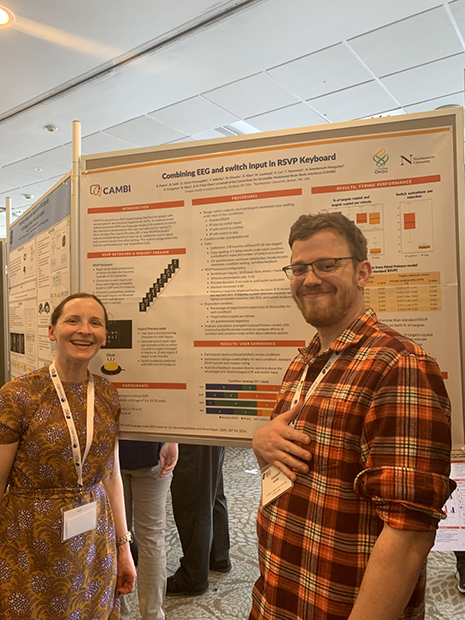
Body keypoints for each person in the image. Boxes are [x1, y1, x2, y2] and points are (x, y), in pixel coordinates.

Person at [250, 213, 455, 620]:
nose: (310, 279)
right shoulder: (306, 362)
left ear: (363, 272)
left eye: (327, 265)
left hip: (341, 605)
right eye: (299, 268)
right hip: (280, 597)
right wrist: (261, 443)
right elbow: (294, 464)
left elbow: (409, 531)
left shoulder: (400, 364)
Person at [0, 292, 136, 619]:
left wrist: (123, 547)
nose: (84, 330)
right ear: (52, 331)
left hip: (94, 544)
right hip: (29, 545)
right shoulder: (18, 395)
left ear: (104, 336)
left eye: (95, 322)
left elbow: (111, 476)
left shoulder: (107, 394)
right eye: (73, 320)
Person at [119, 440, 178, 620]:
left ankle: (117, 613)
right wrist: (172, 438)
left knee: (114, 538)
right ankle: (153, 616)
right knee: (152, 539)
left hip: (109, 448)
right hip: (152, 449)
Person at [167, 444, 231, 596]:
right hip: (211, 425)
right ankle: (217, 555)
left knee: (191, 494)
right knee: (211, 485)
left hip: (192, 425)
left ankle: (193, 574)